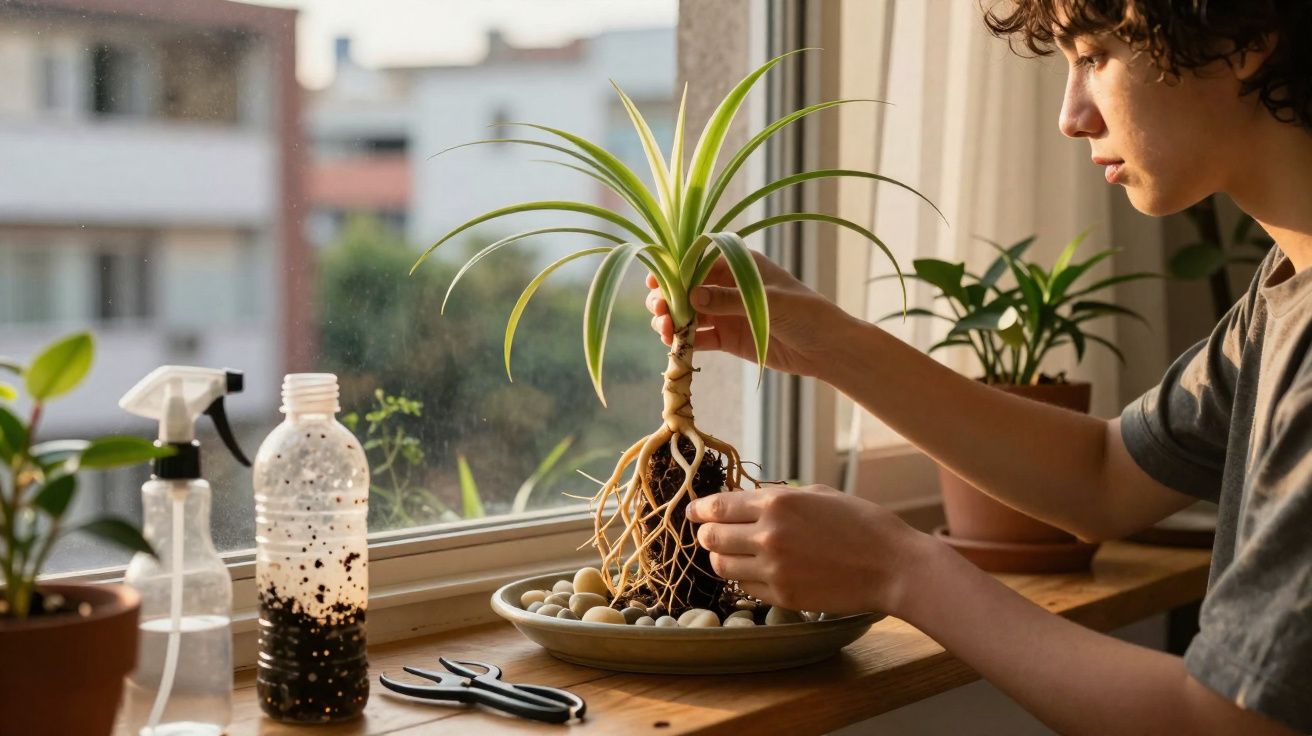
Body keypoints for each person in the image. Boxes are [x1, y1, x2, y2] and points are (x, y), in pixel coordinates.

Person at [646, 1, 1312, 733]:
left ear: (1243, 36)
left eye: (1093, 56)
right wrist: (831, 343)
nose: (1071, 115)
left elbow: (1228, 725)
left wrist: (900, 569)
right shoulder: (1283, 286)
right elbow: (1104, 474)